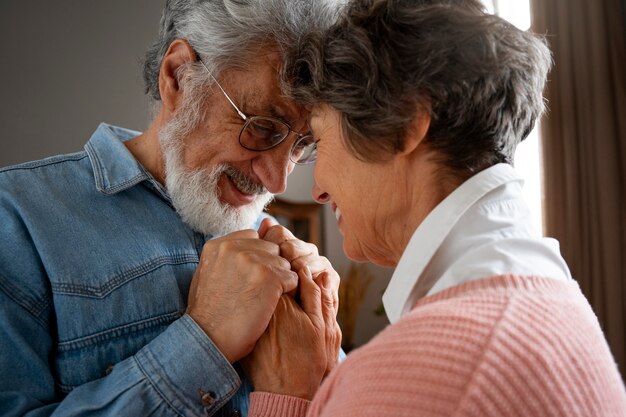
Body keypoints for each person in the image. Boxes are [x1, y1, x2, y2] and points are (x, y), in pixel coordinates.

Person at [242, 0, 626, 416]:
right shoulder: (554, 295)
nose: (316, 190)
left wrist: (289, 395)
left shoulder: (424, 377)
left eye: (319, 140)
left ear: (404, 123)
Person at [0, 1, 344, 416]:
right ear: (178, 75)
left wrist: (324, 367)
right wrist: (206, 340)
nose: (277, 181)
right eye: (263, 128)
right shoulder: (16, 219)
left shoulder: (274, 241)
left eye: (303, 145)